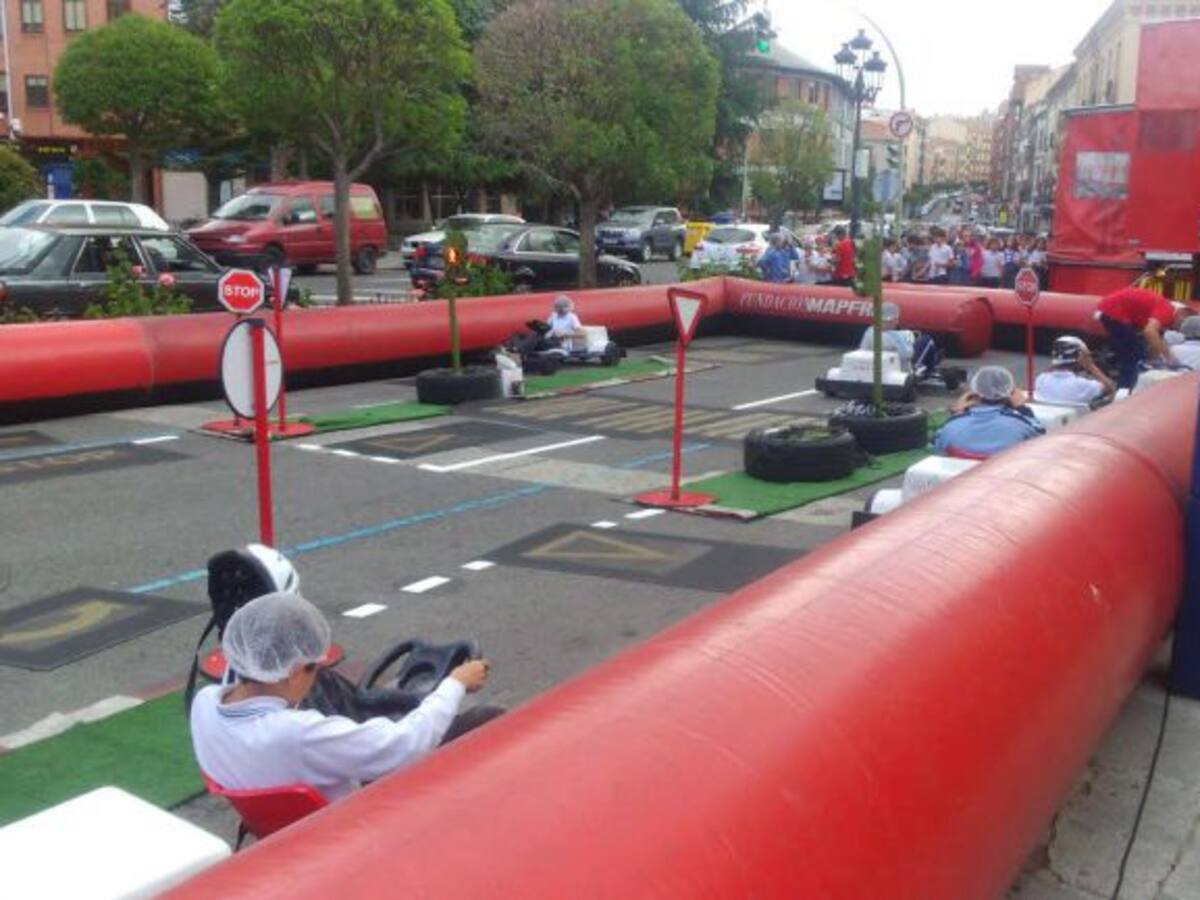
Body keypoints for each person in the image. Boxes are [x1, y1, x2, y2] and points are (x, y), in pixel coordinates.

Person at [191, 592, 499, 802]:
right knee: (488, 718)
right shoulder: (296, 735)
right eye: (314, 669)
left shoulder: (204, 703)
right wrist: (455, 683)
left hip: (281, 824)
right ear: (294, 670)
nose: (315, 679)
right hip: (348, 822)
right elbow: (405, 745)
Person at [932, 366, 1045, 457]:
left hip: (962, 482)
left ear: (974, 392)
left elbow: (937, 443)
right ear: (1010, 393)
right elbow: (1041, 437)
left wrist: (956, 412)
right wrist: (1022, 408)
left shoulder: (951, 426)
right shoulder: (1021, 424)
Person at [1094, 287, 1185, 389]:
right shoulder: (1167, 310)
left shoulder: (1165, 313)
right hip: (1114, 311)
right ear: (1181, 315)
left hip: (1111, 309)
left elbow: (1155, 340)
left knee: (1133, 354)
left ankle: (1125, 388)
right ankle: (1126, 389)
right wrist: (1168, 357)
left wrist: (1156, 357)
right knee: (1135, 356)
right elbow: (1149, 332)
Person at [1034, 336, 1115, 405]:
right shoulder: (1083, 386)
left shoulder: (1040, 379)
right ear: (1080, 358)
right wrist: (1090, 366)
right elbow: (1110, 388)